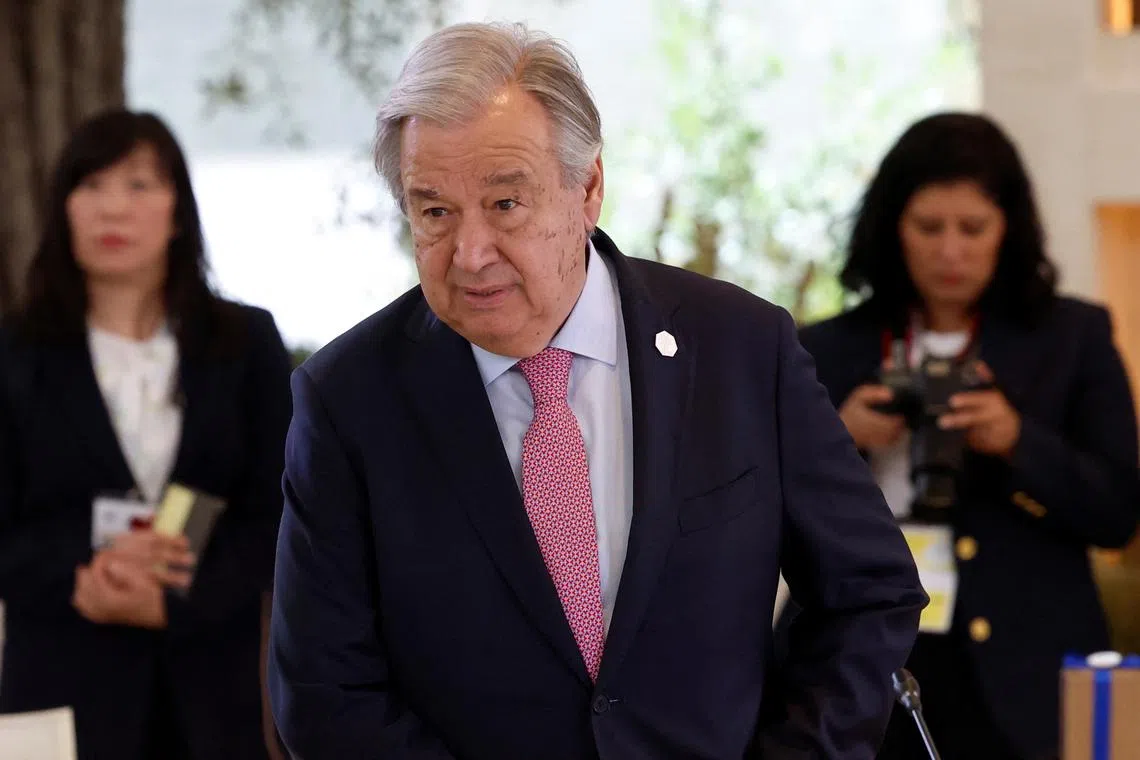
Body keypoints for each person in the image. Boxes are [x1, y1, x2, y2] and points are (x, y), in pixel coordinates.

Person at [268, 22, 927, 760]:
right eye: (435, 212)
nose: (471, 254)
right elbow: (324, 696)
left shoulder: (741, 348)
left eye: (505, 204)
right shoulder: (348, 402)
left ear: (588, 189)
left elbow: (868, 592)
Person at [796, 112, 1140, 760]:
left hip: (1024, 672)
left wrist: (1018, 441)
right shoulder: (826, 347)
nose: (950, 251)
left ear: (1009, 228)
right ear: (892, 227)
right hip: (865, 669)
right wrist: (836, 440)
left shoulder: (1073, 338)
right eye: (929, 228)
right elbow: (763, 517)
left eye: (973, 228)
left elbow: (1119, 512)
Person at [0, 109, 292, 760]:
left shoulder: (244, 344)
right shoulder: (16, 355)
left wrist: (176, 602)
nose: (113, 208)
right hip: (59, 692)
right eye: (92, 185)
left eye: (138, 184)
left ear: (178, 210)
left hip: (212, 699)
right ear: (63, 207)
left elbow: (281, 516)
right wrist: (86, 572)